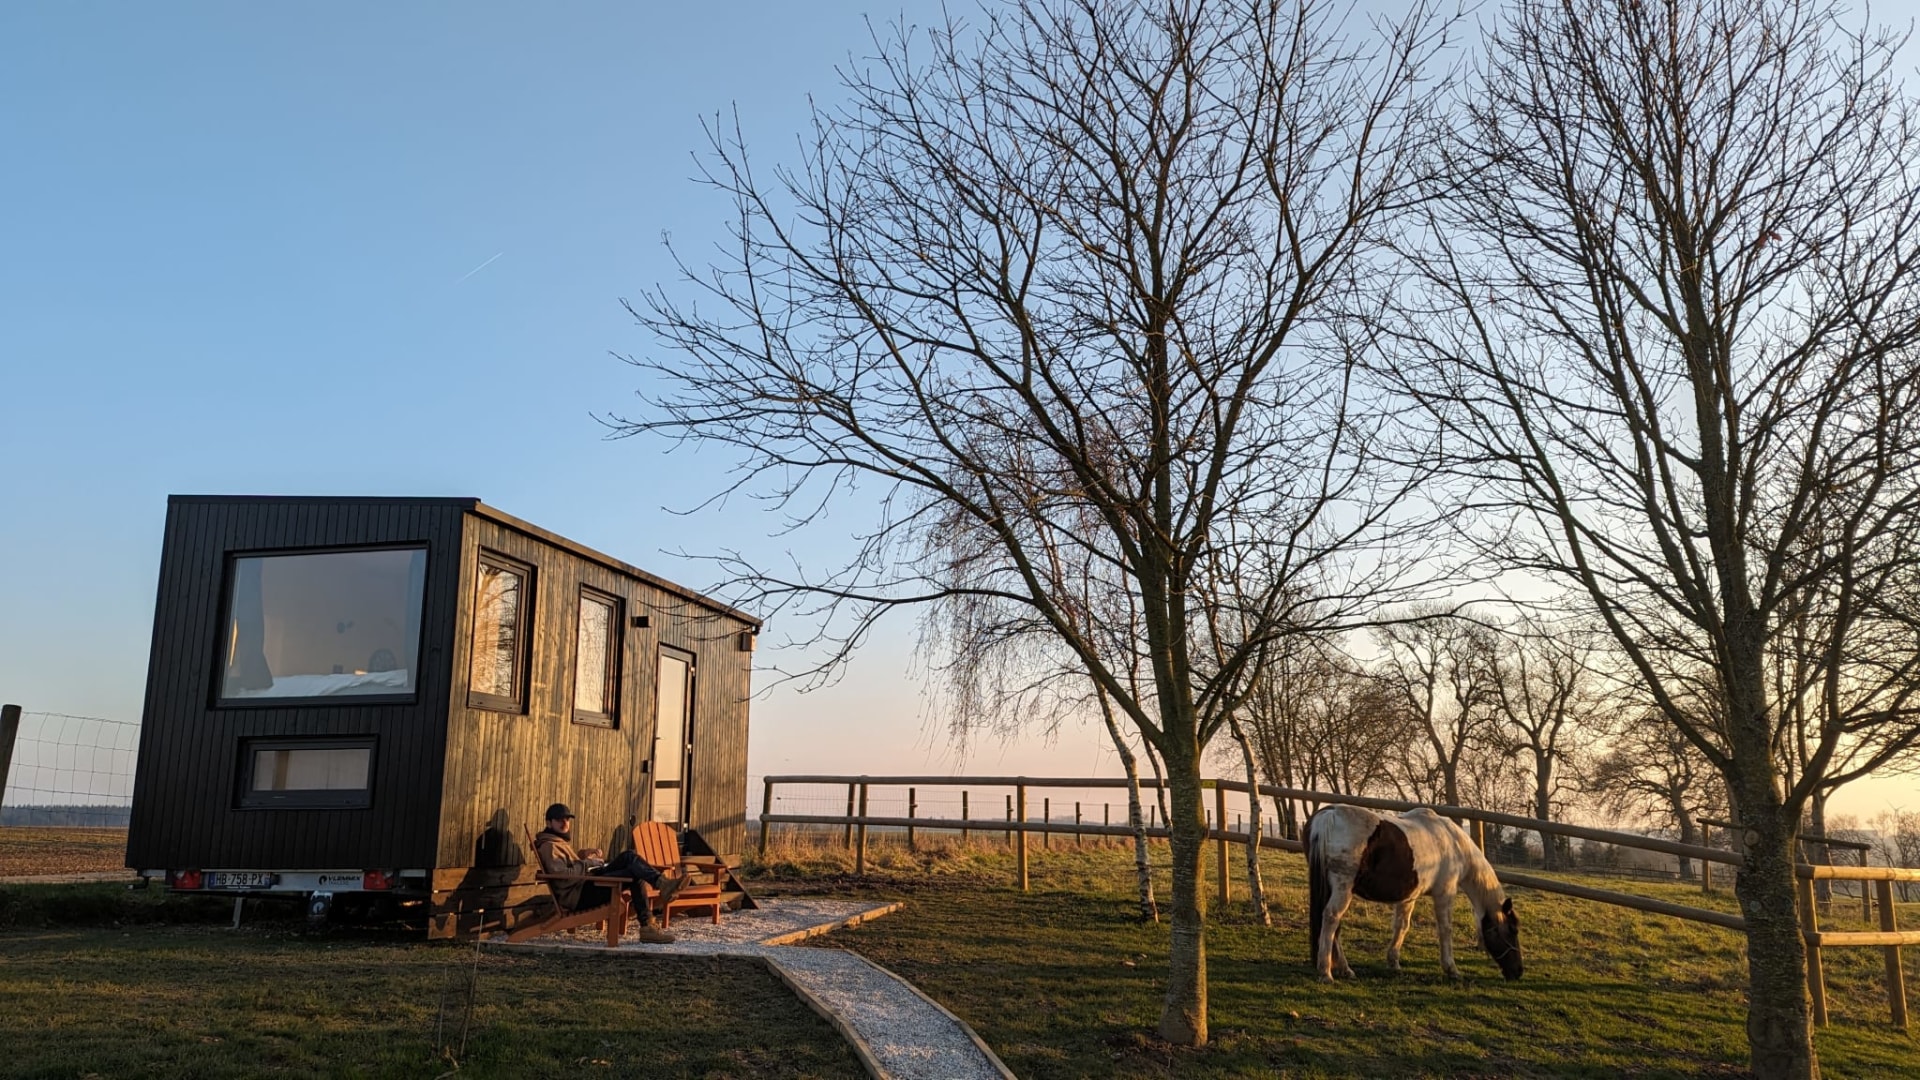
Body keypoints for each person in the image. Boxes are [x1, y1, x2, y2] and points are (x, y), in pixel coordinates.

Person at [532, 802, 684, 944]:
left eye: (567, 819)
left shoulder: (558, 842)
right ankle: (648, 924)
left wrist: (585, 855)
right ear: (549, 823)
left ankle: (662, 884)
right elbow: (561, 876)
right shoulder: (549, 846)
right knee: (634, 874)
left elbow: (569, 864)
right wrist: (587, 864)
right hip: (579, 895)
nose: (565, 823)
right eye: (559, 820)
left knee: (628, 856)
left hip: (585, 883)